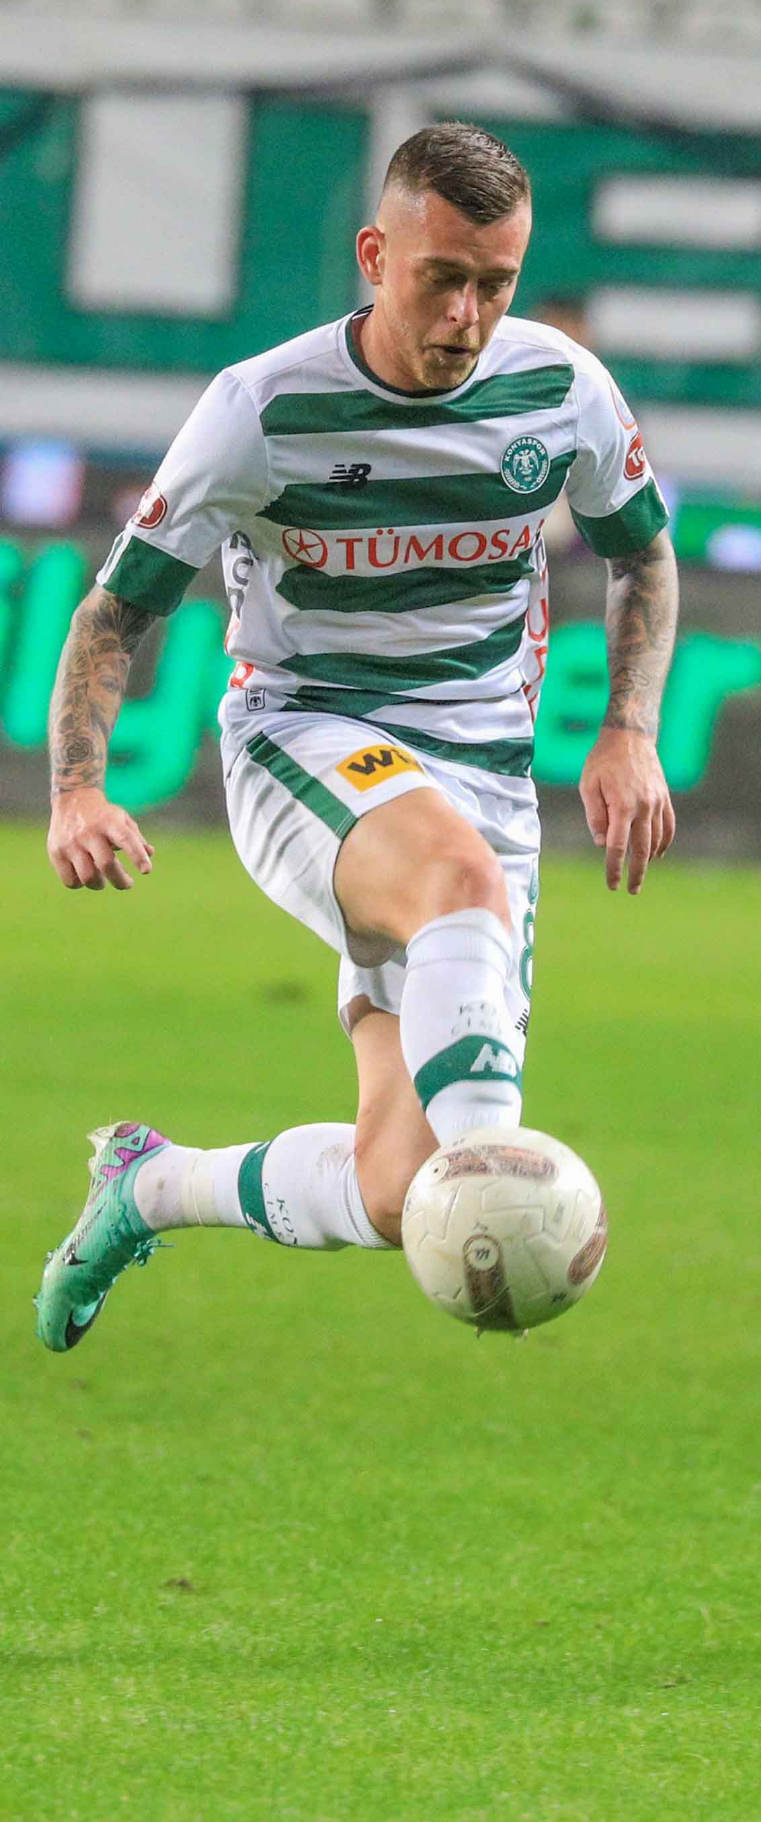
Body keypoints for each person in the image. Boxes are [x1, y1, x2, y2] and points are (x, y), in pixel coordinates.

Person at [36, 122, 678, 1349]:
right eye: (442, 278)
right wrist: (79, 787)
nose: (468, 316)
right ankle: (497, 1159)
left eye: (495, 282)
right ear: (376, 256)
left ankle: (150, 1185)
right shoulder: (261, 409)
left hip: (485, 773)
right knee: (454, 885)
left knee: (398, 1190)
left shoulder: (562, 389)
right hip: (309, 736)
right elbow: (117, 612)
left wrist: (628, 728)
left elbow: (641, 554)